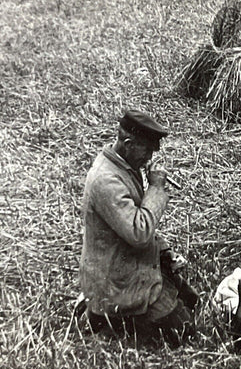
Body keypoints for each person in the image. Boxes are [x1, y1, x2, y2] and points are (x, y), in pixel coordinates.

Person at [80, 109, 198, 345]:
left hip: (127, 264)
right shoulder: (106, 179)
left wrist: (163, 251)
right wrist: (155, 188)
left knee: (191, 301)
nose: (150, 158)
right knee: (182, 332)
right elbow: (138, 232)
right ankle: (106, 316)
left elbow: (131, 219)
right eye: (146, 150)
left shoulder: (122, 166)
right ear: (127, 143)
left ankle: (106, 314)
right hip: (116, 280)